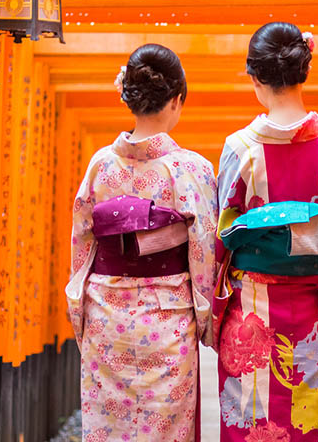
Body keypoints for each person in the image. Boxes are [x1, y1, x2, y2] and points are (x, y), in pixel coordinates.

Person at [212, 22, 318, 441]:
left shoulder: (239, 149)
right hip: (314, 315)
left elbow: (221, 239)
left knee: (251, 426)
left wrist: (212, 313)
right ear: (305, 69)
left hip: (250, 316)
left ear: (255, 78)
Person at [66, 44, 218, 442]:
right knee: (165, 428)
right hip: (167, 318)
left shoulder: (100, 165)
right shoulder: (192, 169)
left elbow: (82, 243)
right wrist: (207, 321)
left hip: (105, 315)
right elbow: (203, 251)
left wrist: (79, 310)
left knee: (108, 427)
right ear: (177, 99)